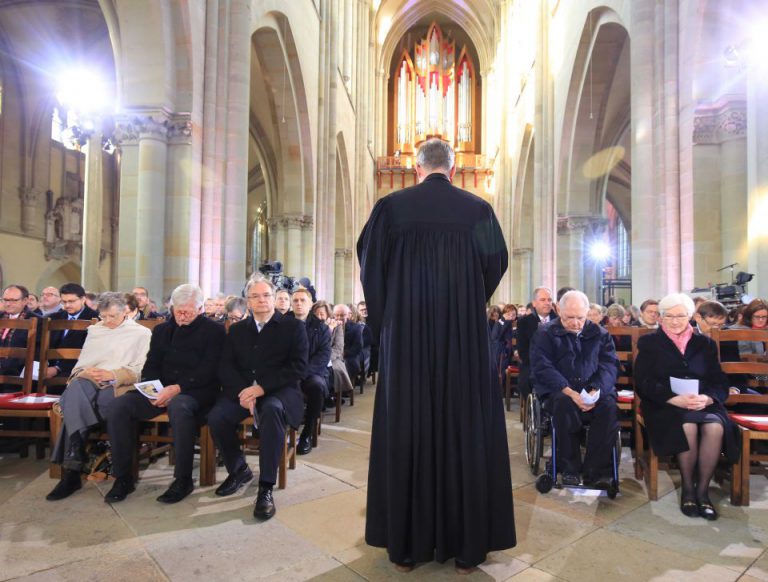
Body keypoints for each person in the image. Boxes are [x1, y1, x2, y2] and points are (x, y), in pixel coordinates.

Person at [357, 138, 514, 572]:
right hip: (462, 339)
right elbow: (496, 262)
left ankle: (406, 548)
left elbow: (370, 266)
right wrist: (465, 298)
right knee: (466, 430)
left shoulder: (391, 208)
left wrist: (388, 324)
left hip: (406, 340)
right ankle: (467, 550)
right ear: (454, 167)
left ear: (416, 167)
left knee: (407, 428)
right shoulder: (478, 209)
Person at [104, 284, 225, 503]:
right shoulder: (162, 330)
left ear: (200, 308)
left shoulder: (214, 330)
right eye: (178, 311)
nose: (182, 315)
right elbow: (151, 365)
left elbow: (209, 369)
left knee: (179, 406)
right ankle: (123, 477)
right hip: (161, 390)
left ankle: (183, 479)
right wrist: (151, 389)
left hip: (197, 391)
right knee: (118, 406)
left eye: (188, 311)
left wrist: (177, 388)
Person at [207, 276, 308, 520]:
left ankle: (265, 487)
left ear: (274, 299)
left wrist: (261, 388)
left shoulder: (293, 327)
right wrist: (243, 391)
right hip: (242, 392)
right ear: (248, 302)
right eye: (255, 296)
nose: (261, 300)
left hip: (279, 391)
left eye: (266, 295)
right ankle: (238, 469)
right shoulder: (239, 329)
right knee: (217, 416)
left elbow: (298, 367)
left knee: (272, 411)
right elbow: (226, 366)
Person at [634, 293, 738, 520]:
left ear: (690, 316)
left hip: (702, 402)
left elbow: (719, 381)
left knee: (715, 427)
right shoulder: (650, 342)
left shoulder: (705, 344)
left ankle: (703, 492)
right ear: (661, 318)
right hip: (666, 404)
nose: (674, 321)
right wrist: (672, 398)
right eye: (668, 316)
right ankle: (688, 492)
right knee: (688, 424)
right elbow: (643, 382)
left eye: (680, 316)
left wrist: (709, 399)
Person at [46, 292, 152, 501]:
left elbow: (140, 370)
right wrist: (85, 372)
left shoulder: (140, 333)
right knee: (76, 388)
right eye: (103, 316)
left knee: (87, 402)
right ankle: (76, 462)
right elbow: (83, 363)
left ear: (125, 312)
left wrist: (113, 374)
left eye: (112, 316)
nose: (107, 321)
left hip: (120, 382)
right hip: (91, 379)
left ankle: (72, 471)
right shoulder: (95, 331)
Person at [530, 290, 620, 486]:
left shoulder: (600, 334)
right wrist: (569, 391)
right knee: (564, 405)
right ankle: (569, 467)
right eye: (569, 317)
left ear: (587, 312)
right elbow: (542, 366)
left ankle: (596, 471)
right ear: (558, 311)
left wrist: (596, 390)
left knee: (608, 408)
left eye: (580, 317)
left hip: (593, 390)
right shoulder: (545, 333)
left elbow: (609, 365)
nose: (575, 323)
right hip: (560, 390)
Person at [290, 288, 331, 455]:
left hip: (311, 373)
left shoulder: (320, 327)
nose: (299, 304)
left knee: (317, 387)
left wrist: (301, 374)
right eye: (296, 301)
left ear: (310, 304)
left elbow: (322, 356)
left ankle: (306, 433)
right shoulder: (282, 322)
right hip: (287, 372)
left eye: (303, 301)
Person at [44, 283, 100, 392]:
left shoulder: (95, 319)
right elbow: (43, 345)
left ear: (83, 299)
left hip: (77, 370)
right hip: (49, 368)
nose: (67, 305)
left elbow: (89, 351)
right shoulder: (53, 318)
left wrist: (57, 369)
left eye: (71, 301)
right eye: (64, 302)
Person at [517, 287, 557, 404]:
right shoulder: (524, 322)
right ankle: (536, 408)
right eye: (543, 300)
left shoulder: (560, 321)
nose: (547, 303)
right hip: (532, 363)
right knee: (526, 380)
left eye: (549, 300)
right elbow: (523, 350)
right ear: (534, 303)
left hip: (556, 364)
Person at [0, 285, 40, 388]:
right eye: (5, 300)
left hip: (18, 373)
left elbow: (38, 352)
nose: (8, 304)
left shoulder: (37, 321)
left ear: (25, 300)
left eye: (13, 300)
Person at [333, 303, 364, 382]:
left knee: (344, 365)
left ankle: (344, 389)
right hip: (333, 356)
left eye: (342, 315)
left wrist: (344, 353)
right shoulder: (330, 326)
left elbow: (358, 346)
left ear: (348, 315)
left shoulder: (356, 327)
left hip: (349, 357)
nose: (339, 318)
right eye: (337, 315)